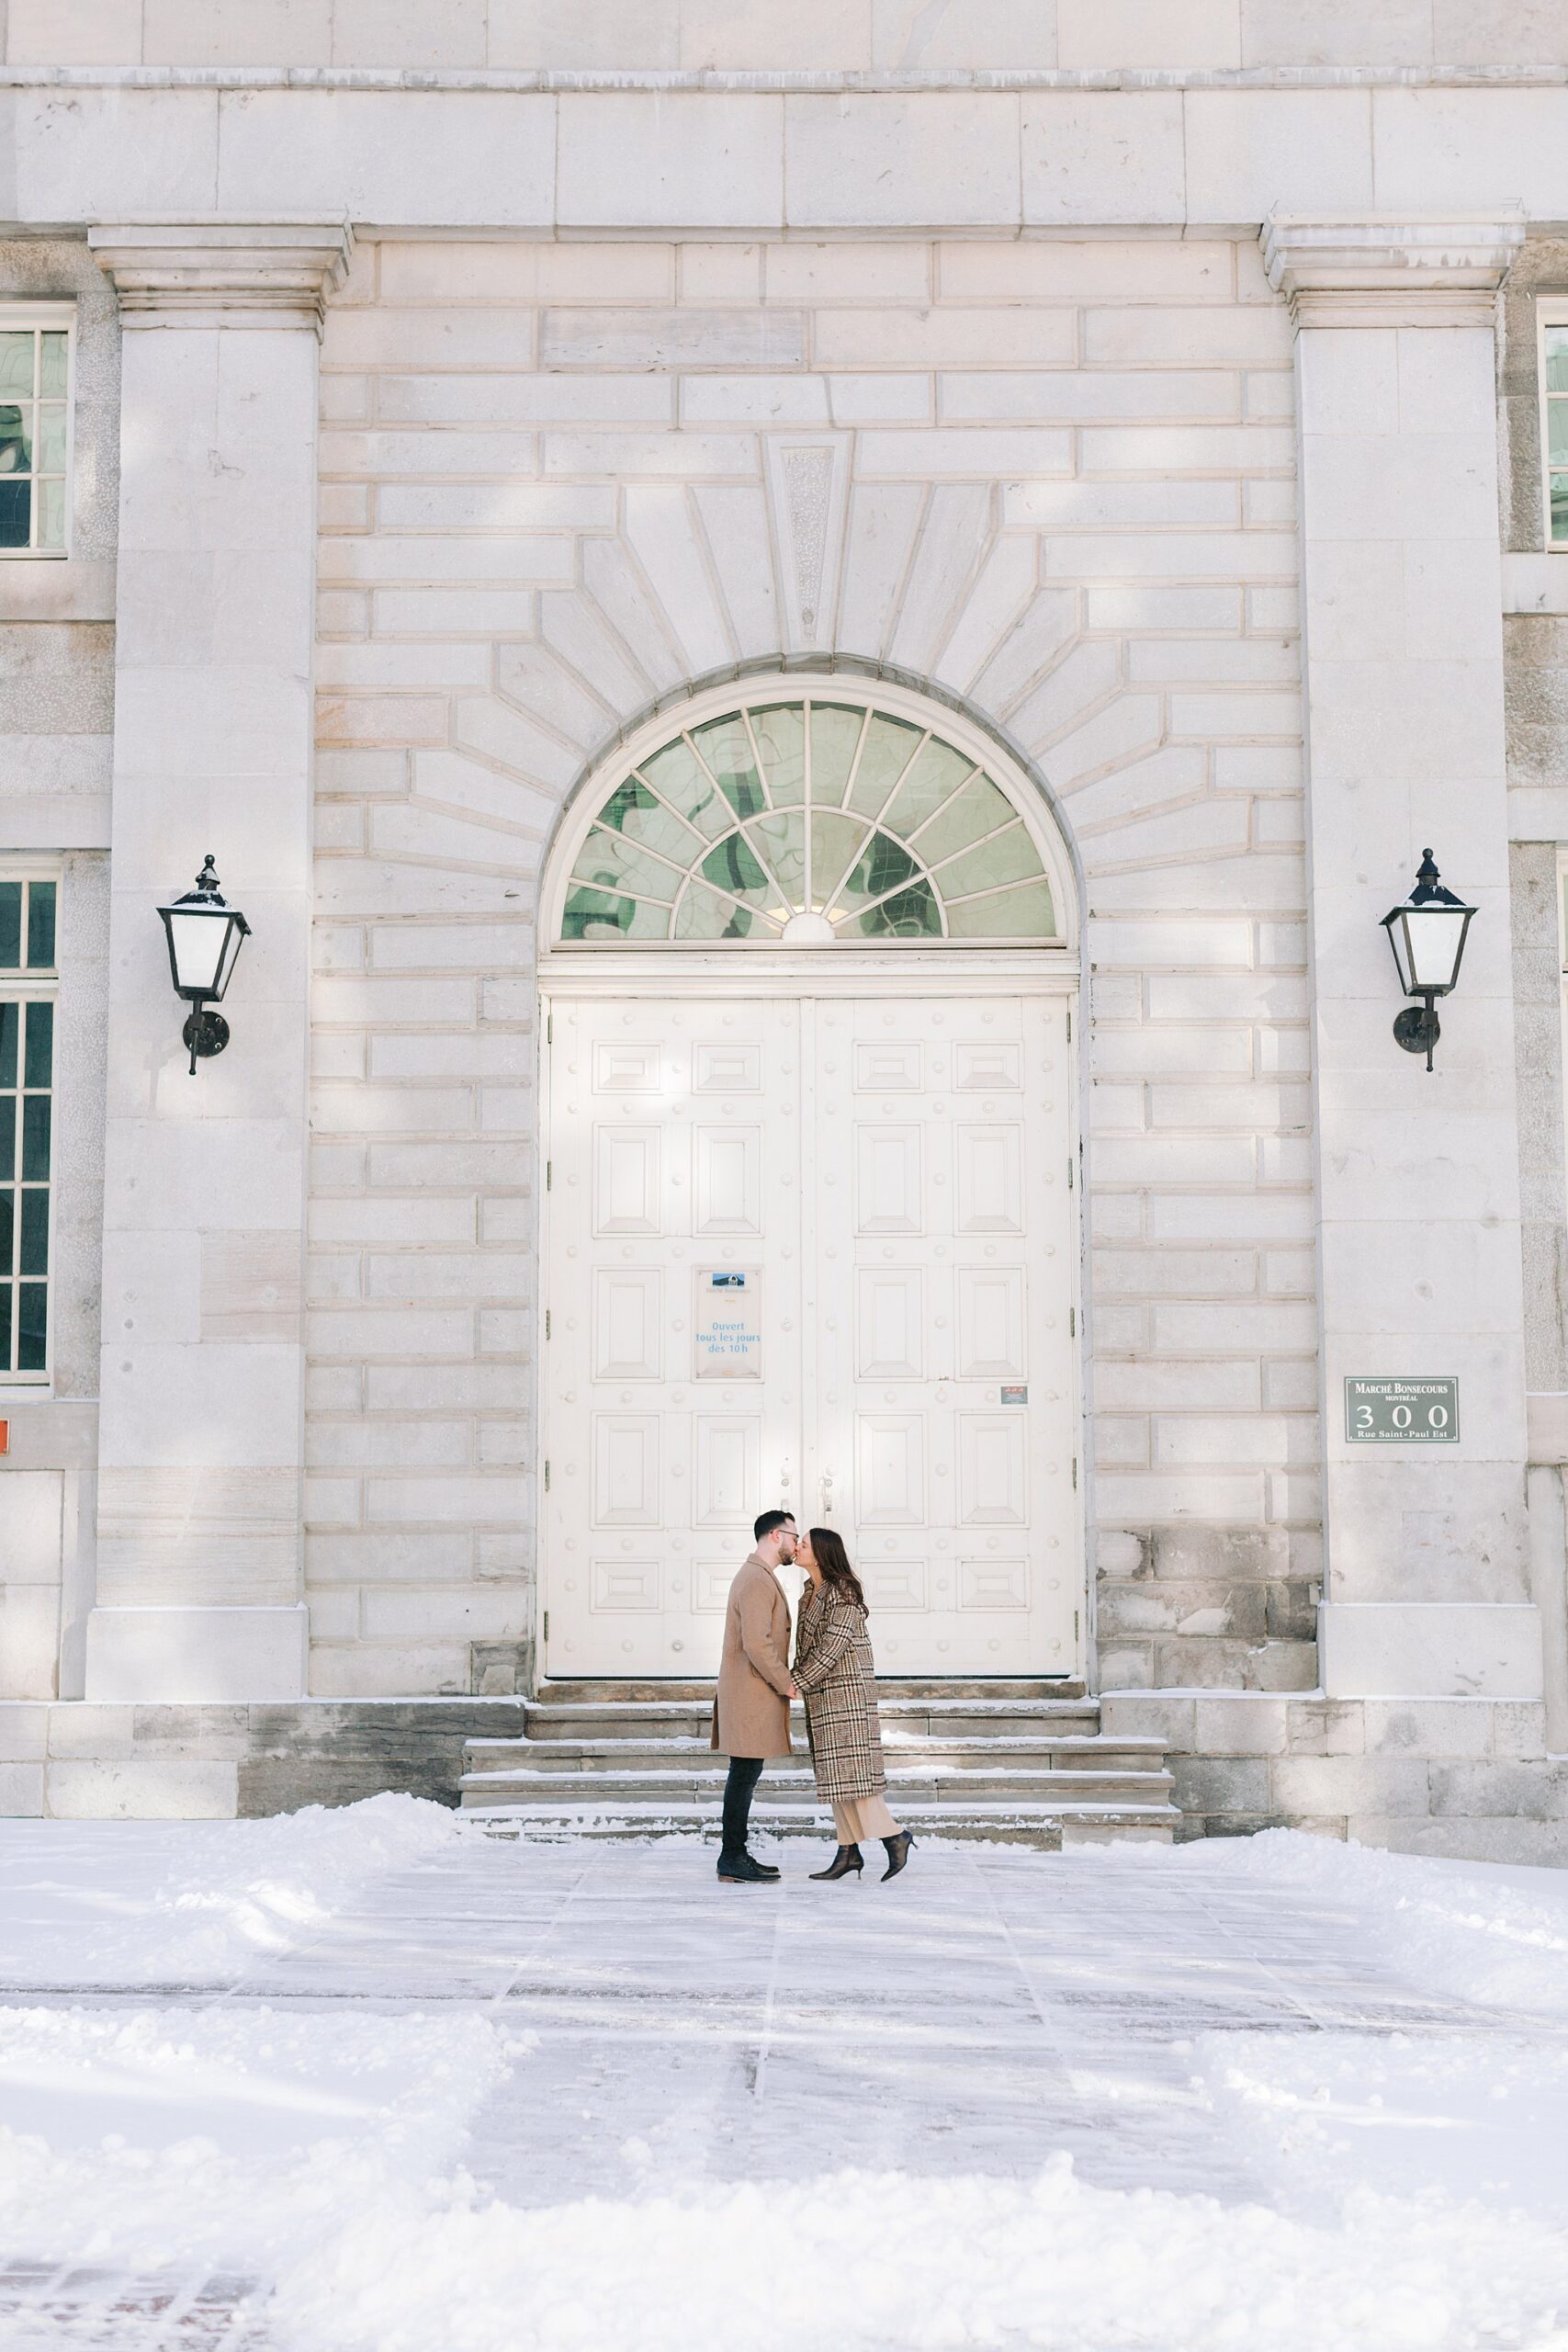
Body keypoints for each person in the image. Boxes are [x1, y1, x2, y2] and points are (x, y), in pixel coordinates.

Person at [793, 1527, 914, 1883]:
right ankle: (848, 1852)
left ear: (821, 1553)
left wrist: (795, 1681)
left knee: (857, 1780)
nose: (797, 1547)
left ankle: (895, 1837)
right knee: (838, 1778)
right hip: (823, 1697)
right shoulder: (809, 1593)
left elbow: (832, 1646)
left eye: (804, 1544)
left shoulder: (842, 1593)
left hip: (847, 1697)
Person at [710, 1509, 798, 1883]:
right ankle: (732, 1857)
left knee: (745, 1774)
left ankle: (734, 1856)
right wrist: (786, 1683)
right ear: (775, 1536)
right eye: (794, 1536)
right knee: (743, 1775)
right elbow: (758, 1644)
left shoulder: (758, 1576)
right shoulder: (757, 1579)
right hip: (750, 1693)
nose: (798, 1544)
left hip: (749, 1692)